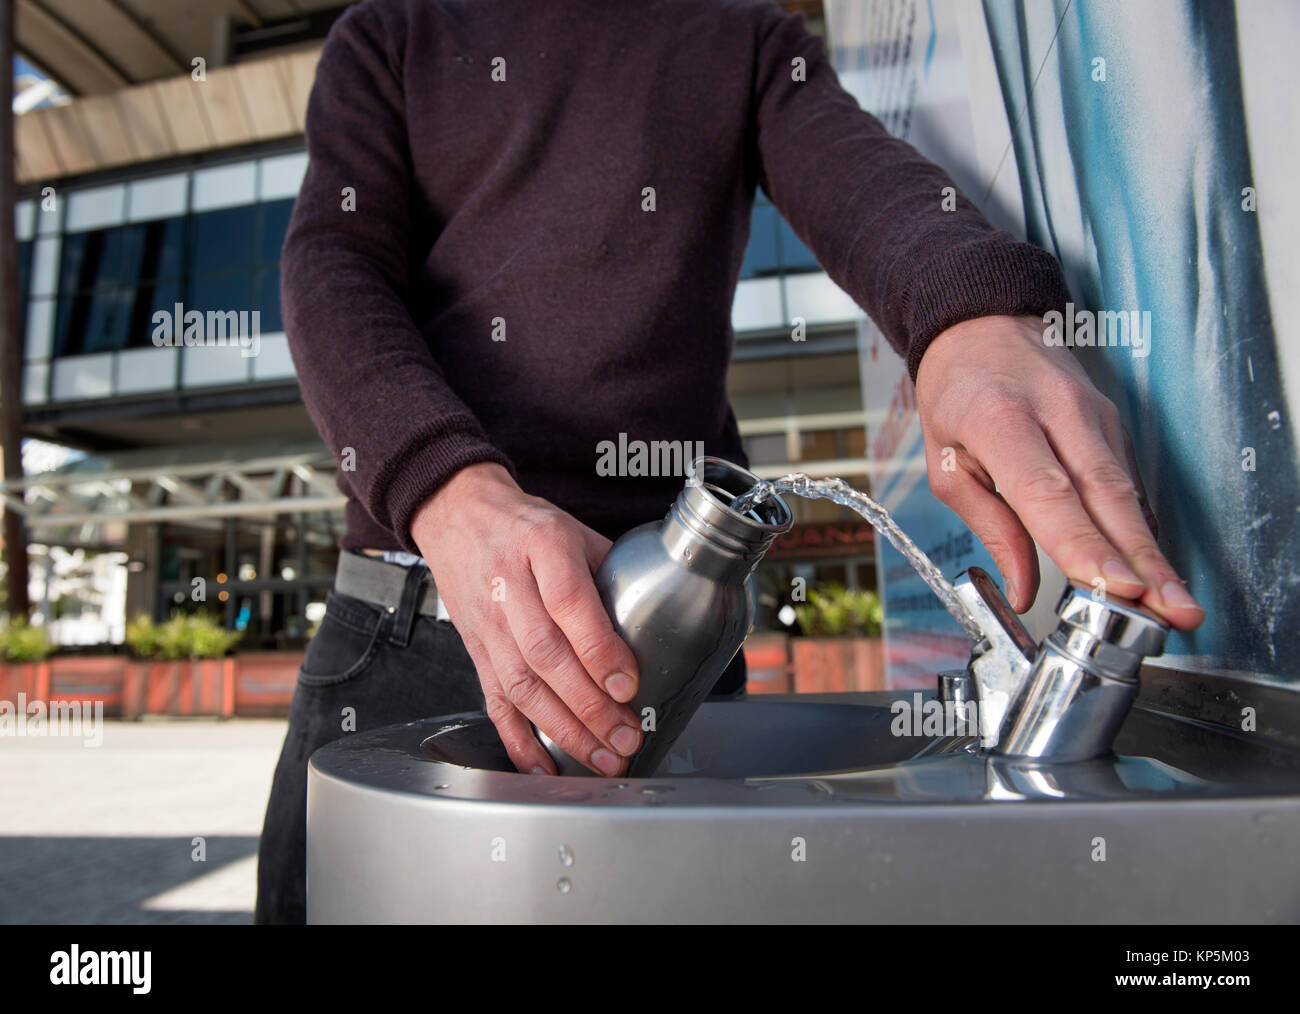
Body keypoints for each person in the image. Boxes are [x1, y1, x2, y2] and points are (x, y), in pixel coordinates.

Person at [254, 0, 1204, 924]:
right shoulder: (393, 32)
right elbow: (334, 267)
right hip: (416, 622)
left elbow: (862, 183)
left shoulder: (740, 35)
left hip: (674, 652)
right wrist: (450, 491)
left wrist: (966, 319)